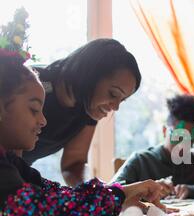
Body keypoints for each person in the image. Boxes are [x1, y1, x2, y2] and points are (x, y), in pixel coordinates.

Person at [0, 37, 163, 216]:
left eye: (121, 100)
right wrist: (113, 198)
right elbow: (30, 209)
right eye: (34, 110)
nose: (43, 120)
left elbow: (64, 176)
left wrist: (114, 193)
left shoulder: (16, 166)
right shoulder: (35, 84)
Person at [22, 38, 141, 187]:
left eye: (122, 100)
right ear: (91, 75)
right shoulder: (36, 86)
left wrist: (93, 191)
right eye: (113, 94)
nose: (115, 107)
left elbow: (73, 164)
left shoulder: (88, 108)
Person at [112, 94, 194, 199]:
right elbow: (109, 194)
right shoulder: (141, 161)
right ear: (165, 131)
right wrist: (144, 190)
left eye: (190, 139)